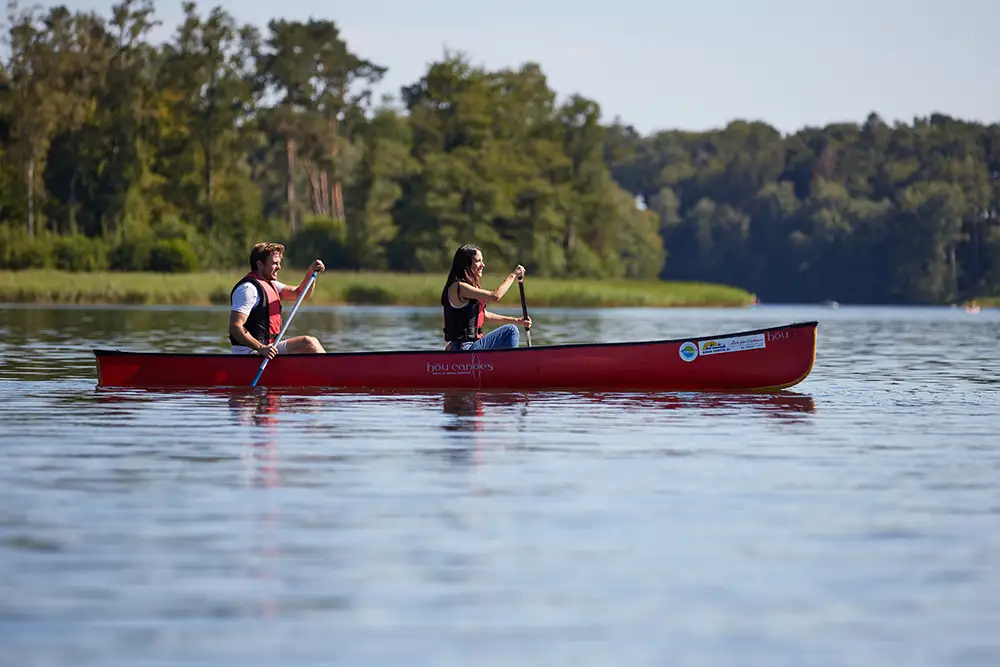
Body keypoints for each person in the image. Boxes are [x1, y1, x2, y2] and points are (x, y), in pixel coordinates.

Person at [228, 242, 326, 358]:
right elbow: (235, 327)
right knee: (308, 342)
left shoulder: (271, 284)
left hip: (269, 349)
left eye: (279, 263)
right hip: (248, 353)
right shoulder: (248, 289)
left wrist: (311, 273)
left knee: (309, 343)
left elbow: (300, 294)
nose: (279, 267)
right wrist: (261, 348)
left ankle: (330, 368)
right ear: (260, 264)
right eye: (275, 263)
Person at [441, 244, 531, 351]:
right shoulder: (459, 287)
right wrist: (513, 275)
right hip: (465, 348)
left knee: (511, 328)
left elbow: (484, 315)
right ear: (466, 264)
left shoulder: (468, 287)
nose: (483, 265)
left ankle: (505, 359)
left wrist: (517, 320)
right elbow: (495, 296)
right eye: (478, 261)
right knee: (511, 331)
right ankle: (511, 360)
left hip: (467, 346)